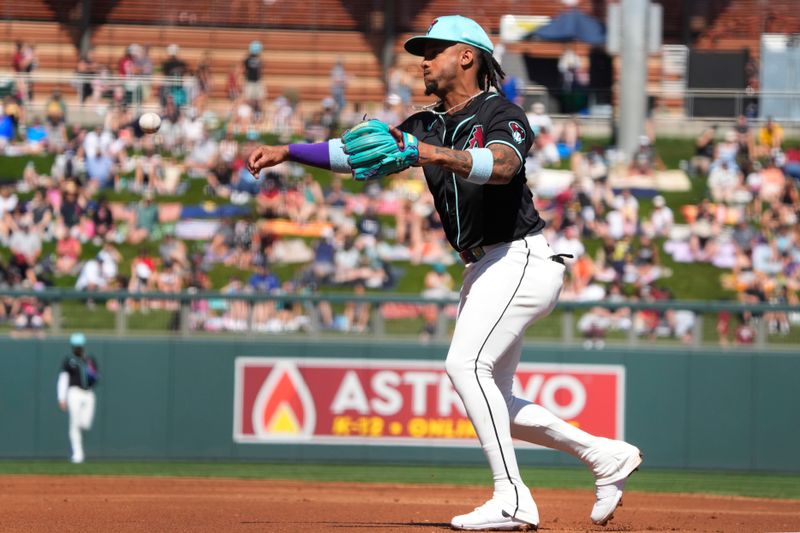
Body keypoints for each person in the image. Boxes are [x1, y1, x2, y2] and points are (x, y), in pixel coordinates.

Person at [247, 15, 642, 531]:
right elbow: (351, 152)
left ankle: (512, 497)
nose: (423, 60)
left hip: (520, 256)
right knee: (494, 397)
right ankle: (604, 456)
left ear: (467, 56)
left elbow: (502, 166)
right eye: (420, 51)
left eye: (434, 49)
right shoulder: (423, 123)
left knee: (463, 367)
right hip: (484, 266)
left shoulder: (503, 111)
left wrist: (423, 153)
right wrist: (289, 152)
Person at [57, 333, 99, 464]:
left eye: (79, 346)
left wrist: (91, 372)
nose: (77, 348)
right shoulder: (69, 360)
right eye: (75, 346)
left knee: (85, 424)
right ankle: (77, 454)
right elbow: (63, 379)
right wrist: (61, 397)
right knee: (74, 424)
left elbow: (96, 376)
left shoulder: (90, 359)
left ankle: (77, 450)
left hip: (88, 393)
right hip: (74, 392)